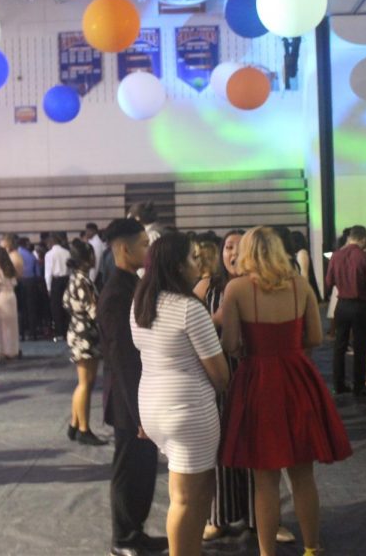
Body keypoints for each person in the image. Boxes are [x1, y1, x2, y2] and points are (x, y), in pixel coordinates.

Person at [220, 227, 352, 556]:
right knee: (303, 472)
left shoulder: (236, 289)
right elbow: (316, 338)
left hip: (257, 380)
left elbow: (230, 343)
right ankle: (312, 546)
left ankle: (267, 553)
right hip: (297, 378)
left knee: (265, 477)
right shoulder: (300, 285)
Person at [130, 232, 230, 556]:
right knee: (187, 497)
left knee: (192, 493)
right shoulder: (189, 308)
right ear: (177, 265)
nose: (197, 264)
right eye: (191, 258)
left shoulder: (141, 304)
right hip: (188, 410)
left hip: (152, 405)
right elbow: (219, 374)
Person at [97, 219, 165, 556]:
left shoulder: (130, 286)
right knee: (129, 471)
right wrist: (140, 413)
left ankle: (135, 531)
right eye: (142, 244)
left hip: (139, 396)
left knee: (143, 470)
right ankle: (123, 538)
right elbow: (122, 360)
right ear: (124, 249)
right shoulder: (116, 294)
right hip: (129, 400)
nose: (147, 250)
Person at [193, 230, 257, 542]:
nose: (233, 252)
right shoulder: (206, 287)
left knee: (257, 450)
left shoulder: (260, 286)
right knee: (220, 449)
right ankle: (217, 517)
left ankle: (260, 518)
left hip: (254, 376)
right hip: (218, 378)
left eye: (239, 247)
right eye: (228, 246)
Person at [62, 239, 106, 446]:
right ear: (87, 259)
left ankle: (74, 423)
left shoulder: (73, 279)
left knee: (83, 383)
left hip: (76, 330)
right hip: (86, 334)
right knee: (86, 383)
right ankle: (83, 428)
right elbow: (94, 311)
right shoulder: (84, 281)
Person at [324, 226, 366, 395]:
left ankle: (338, 384)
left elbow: (329, 281)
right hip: (360, 305)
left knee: (339, 345)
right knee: (360, 346)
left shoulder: (336, 255)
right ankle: (359, 386)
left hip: (342, 304)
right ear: (361, 239)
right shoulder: (365, 256)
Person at [45, 232, 70, 341]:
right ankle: (67, 330)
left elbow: (48, 272)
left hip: (56, 281)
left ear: (51, 242)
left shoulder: (49, 254)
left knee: (56, 307)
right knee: (66, 306)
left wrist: (48, 287)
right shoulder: (67, 252)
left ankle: (59, 332)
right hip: (66, 280)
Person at [17, 237, 42, 340]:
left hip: (20, 282)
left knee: (21, 309)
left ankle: (21, 332)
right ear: (25, 244)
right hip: (31, 282)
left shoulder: (16, 254)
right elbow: (38, 272)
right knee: (32, 308)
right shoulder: (31, 256)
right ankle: (33, 333)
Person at [291, 230, 321, 302]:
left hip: (306, 291)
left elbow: (304, 275)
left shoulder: (302, 253)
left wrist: (303, 294)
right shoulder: (298, 253)